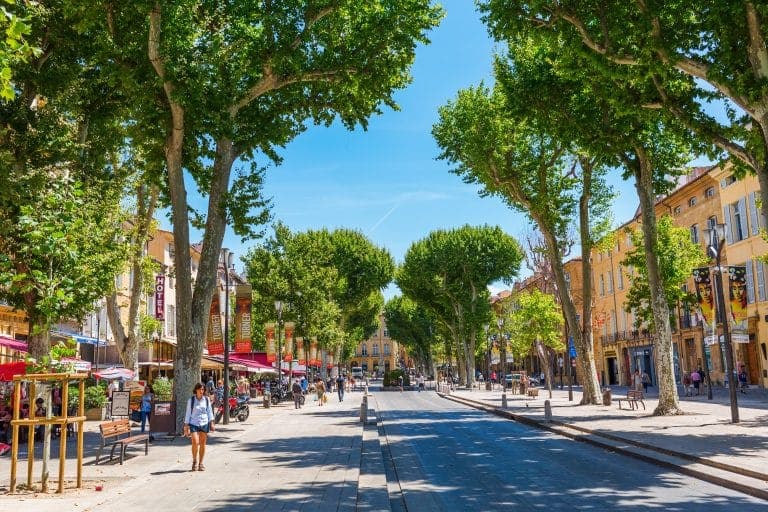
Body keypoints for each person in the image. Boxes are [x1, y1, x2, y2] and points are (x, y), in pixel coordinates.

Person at [183, 383, 215, 471]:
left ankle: (201, 463)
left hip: (204, 422)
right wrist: (186, 426)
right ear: (196, 390)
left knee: (203, 443)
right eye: (200, 389)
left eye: (203, 389)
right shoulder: (191, 400)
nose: (201, 391)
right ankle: (194, 461)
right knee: (195, 442)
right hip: (194, 423)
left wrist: (211, 422)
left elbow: (209, 412)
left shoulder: (207, 400)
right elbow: (188, 413)